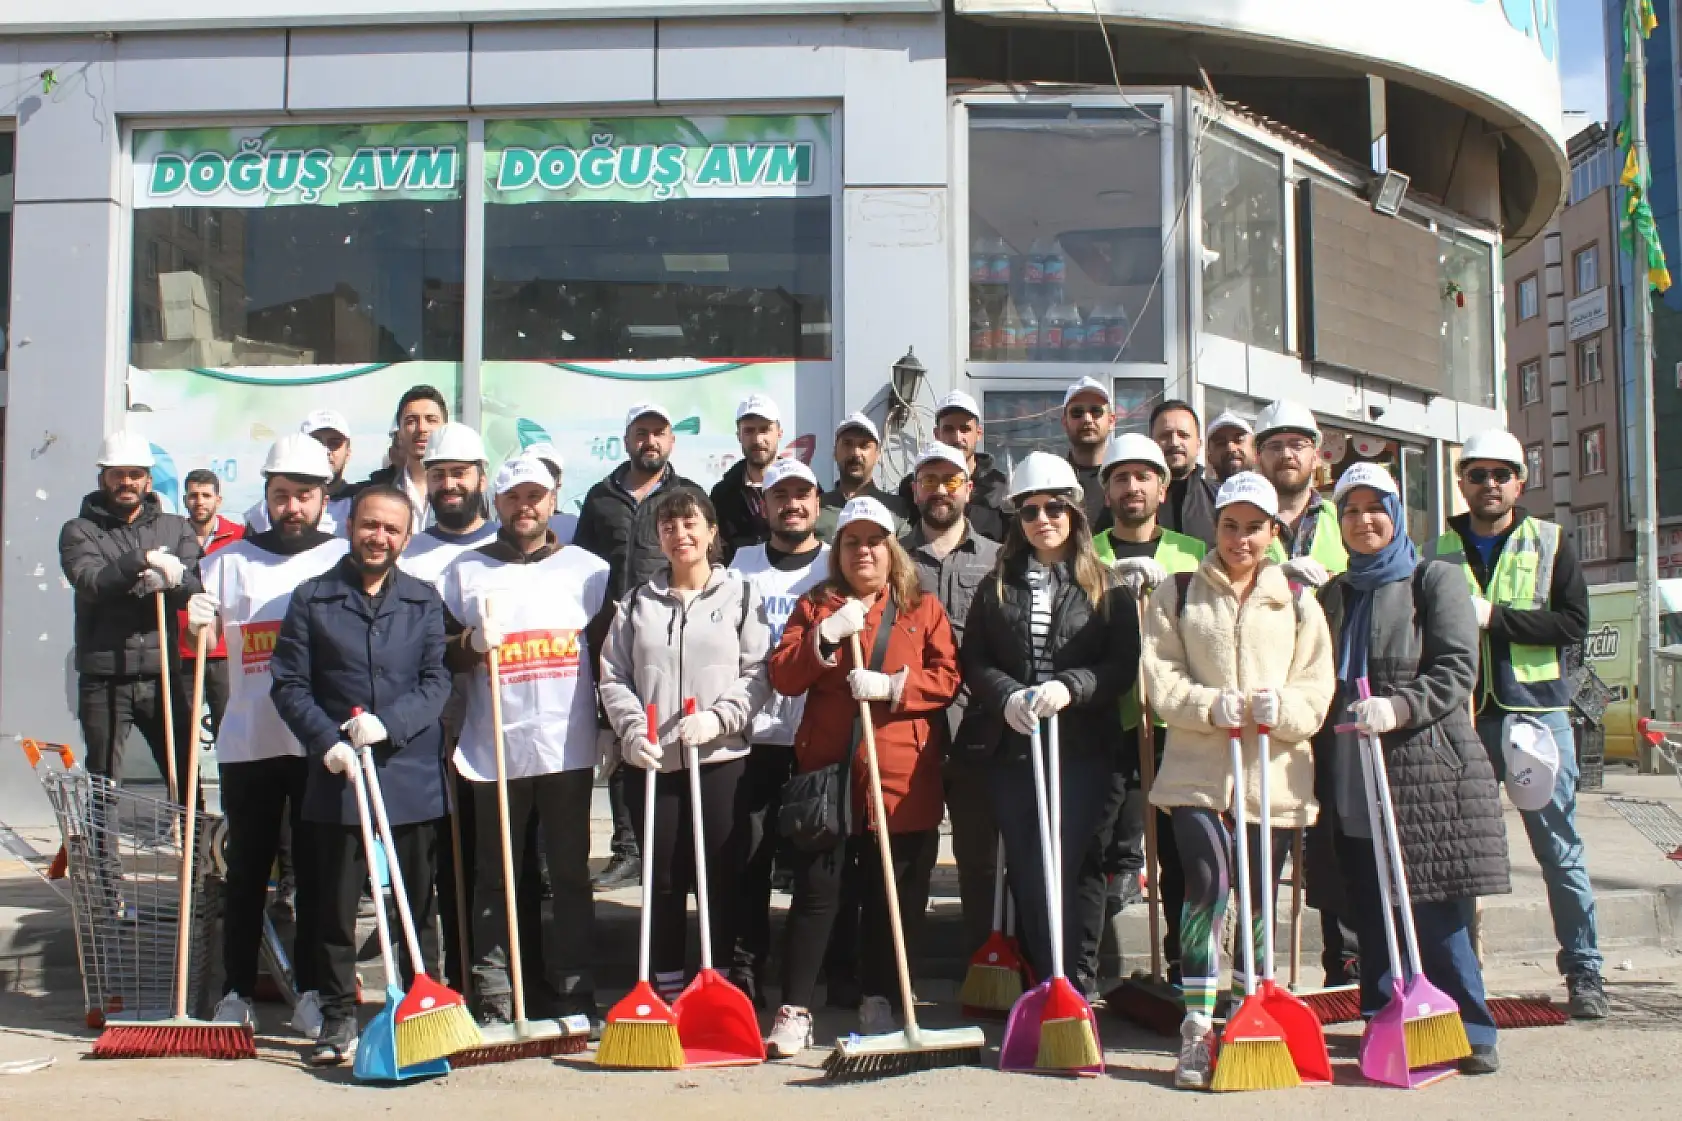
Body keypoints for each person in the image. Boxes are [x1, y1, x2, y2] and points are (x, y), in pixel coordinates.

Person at [1141, 470, 1336, 1090]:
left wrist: (1286, 709)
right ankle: (1198, 1025)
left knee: (1256, 895)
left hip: (1269, 775)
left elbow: (1316, 684)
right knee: (1206, 884)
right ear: (1215, 527)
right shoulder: (1178, 593)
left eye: (1254, 528)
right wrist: (1206, 705)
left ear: (1273, 532)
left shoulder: (1297, 600)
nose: (1240, 539)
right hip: (1197, 773)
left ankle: (1251, 1009)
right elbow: (1160, 675)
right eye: (1230, 526)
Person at [1315, 462, 1508, 1076]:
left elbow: (1456, 669)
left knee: (1435, 905)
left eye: (1375, 508)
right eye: (1350, 511)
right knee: (1369, 902)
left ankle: (1470, 1027)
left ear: (1397, 514)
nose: (1363, 521)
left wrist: (1399, 707)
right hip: (1351, 765)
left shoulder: (1435, 579)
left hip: (1424, 767)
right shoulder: (1335, 593)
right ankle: (1387, 1016)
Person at [765, 497, 960, 1057]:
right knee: (817, 894)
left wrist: (896, 686)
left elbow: (948, 676)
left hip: (900, 776)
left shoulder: (920, 607)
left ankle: (880, 998)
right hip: (828, 777)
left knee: (889, 894)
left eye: (875, 541)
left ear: (892, 549)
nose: (864, 552)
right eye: (852, 542)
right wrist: (824, 638)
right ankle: (795, 1009)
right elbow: (783, 675)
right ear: (838, 551)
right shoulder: (816, 605)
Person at [269, 484, 452, 1066]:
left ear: (406, 537)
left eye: (392, 529)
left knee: (415, 902)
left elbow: (437, 682)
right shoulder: (312, 599)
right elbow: (289, 684)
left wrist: (389, 724)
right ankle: (337, 1014)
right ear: (350, 526)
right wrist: (328, 743)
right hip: (339, 774)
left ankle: (422, 1007)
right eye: (370, 525)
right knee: (334, 903)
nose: (379, 537)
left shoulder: (423, 601)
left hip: (409, 774)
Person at [1427, 429, 1606, 1019]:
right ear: (1461, 482)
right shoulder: (1437, 550)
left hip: (1537, 715)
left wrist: (1495, 618)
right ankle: (1461, 980)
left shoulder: (1552, 542)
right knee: (1461, 855)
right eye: (1477, 474)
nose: (1490, 484)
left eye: (1501, 474)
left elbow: (1572, 624)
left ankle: (1584, 971)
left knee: (1559, 850)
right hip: (1464, 717)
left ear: (1519, 483)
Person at [184, 435, 350, 1041]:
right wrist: (196, 625)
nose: (292, 506)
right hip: (249, 740)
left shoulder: (341, 559)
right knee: (247, 870)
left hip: (317, 743)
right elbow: (201, 647)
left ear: (323, 496)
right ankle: (235, 990)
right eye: (281, 494)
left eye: (303, 494)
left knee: (315, 872)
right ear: (267, 495)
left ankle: (311, 990)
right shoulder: (227, 562)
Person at [957, 452, 1139, 1000]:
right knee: (1031, 867)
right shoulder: (996, 585)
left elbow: (1121, 664)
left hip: (1083, 747)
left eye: (1054, 508)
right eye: (1030, 510)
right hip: (1016, 746)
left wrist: (1072, 686)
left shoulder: (1107, 585)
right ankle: (1045, 983)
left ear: (1075, 513)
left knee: (1075, 863)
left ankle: (1075, 983)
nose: (1043, 519)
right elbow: (976, 659)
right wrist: (1006, 696)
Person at [442, 454, 614, 1027]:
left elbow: (608, 653)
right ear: (497, 502)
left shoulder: (588, 570)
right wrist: (469, 644)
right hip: (494, 745)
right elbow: (440, 650)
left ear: (553, 500)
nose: (525, 507)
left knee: (569, 874)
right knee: (496, 875)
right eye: (514, 497)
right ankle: (495, 991)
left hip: (567, 745)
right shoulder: (464, 570)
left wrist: (608, 725)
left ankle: (574, 990)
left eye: (535, 497)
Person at [599, 489, 771, 1002]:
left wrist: (719, 718)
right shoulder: (637, 602)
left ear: (712, 531)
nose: (680, 535)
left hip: (719, 759)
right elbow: (613, 675)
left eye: (690, 523)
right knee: (664, 880)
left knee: (720, 876)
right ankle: (668, 986)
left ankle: (718, 986)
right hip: (654, 763)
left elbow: (758, 673)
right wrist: (632, 731)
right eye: (669, 526)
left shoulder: (740, 596)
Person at [576, 403, 709, 891]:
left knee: (671, 731)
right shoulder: (600, 497)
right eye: (641, 433)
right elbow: (583, 565)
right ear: (627, 439)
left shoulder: (687, 495)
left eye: (658, 433)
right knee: (623, 733)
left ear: (671, 440)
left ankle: (679, 848)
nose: (649, 441)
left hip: (671, 630)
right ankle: (628, 849)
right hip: (613, 632)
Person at [1090, 433, 1206, 981]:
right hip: (1106, 723)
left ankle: (1184, 965)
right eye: (1121, 478)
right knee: (1097, 848)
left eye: (1143, 477)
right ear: (1106, 490)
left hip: (1176, 725)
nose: (1132, 487)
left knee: (1181, 854)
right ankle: (1087, 965)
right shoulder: (1087, 552)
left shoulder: (1193, 552)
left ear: (1162, 488)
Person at [396, 420, 500, 996]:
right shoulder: (409, 554)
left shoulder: (506, 546)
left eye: (459, 473)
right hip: (428, 731)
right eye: (438, 475)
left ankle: (484, 981)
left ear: (481, 476)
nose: (449, 484)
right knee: (432, 864)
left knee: (489, 865)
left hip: (499, 732)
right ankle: (432, 988)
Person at [726, 457, 831, 1005]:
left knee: (819, 863)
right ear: (762, 504)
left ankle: (818, 972)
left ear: (817, 503)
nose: (792, 505)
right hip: (755, 735)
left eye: (801, 495)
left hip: (817, 734)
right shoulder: (740, 565)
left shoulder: (836, 563)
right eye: (780, 496)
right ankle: (746, 969)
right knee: (749, 861)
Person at [901, 442, 1002, 961]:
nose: (940, 491)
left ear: (969, 488)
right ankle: (898, 974)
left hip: (978, 730)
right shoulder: (892, 557)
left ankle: (985, 968)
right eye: (930, 481)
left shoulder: (997, 558)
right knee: (910, 857)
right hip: (909, 729)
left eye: (951, 481)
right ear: (914, 489)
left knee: (979, 858)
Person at [59, 431, 201, 795]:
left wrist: (176, 580)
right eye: (117, 474)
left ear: (148, 481)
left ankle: (194, 834)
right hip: (104, 676)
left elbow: (195, 588)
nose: (127, 482)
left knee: (184, 773)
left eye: (135, 474)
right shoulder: (79, 531)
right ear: (102, 479)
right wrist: (143, 559)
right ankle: (102, 836)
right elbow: (92, 583)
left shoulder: (176, 527)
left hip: (162, 674)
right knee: (104, 779)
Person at [1253, 400, 1345, 587]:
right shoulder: (1241, 523)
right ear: (1258, 459)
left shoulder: (1342, 519)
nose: (1286, 454)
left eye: (1297, 445)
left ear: (1316, 457)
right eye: (1274, 446)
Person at [894, 392, 1009, 541]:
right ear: (936, 434)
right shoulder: (912, 487)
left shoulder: (1001, 486)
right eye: (949, 429)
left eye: (965, 429)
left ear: (979, 433)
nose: (957, 438)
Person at [179, 468, 242, 743]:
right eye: (193, 496)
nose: (199, 502)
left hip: (226, 651)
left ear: (218, 500)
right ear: (185, 500)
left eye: (206, 495)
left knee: (228, 730)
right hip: (183, 650)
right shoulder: (173, 536)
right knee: (183, 733)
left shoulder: (239, 536)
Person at [245, 410, 361, 535]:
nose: (325, 450)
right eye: (316, 442)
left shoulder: (360, 505)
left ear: (348, 453)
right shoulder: (262, 513)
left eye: (334, 443)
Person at [363, 385, 449, 533]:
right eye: (411, 421)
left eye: (431, 420)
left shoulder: (470, 492)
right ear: (400, 433)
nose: (421, 428)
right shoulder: (376, 492)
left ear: (445, 428)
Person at [815, 413, 910, 543]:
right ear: (835, 452)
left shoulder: (896, 508)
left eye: (864, 445)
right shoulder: (816, 508)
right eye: (847, 444)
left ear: (877, 454)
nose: (855, 453)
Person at [712, 394, 784, 562]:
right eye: (749, 431)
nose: (758, 440)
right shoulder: (722, 494)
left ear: (779, 433)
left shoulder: (802, 487)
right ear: (739, 436)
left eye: (765, 430)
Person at [1151, 400, 1218, 547]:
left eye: (1183, 435)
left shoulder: (1219, 499)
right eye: (1165, 435)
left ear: (1199, 445)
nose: (1174, 442)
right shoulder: (1132, 499)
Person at [1060, 377, 1115, 530]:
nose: (1087, 419)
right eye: (1077, 412)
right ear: (1065, 423)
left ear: (1111, 421)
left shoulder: (1126, 477)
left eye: (1096, 411)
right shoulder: (1054, 480)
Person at [524, 442, 578, 545]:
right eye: (533, 471)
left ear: (559, 482)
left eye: (549, 473)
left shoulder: (574, 525)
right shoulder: (505, 525)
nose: (543, 478)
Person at [1206, 411, 1256, 483]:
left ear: (1255, 450)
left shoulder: (1269, 488)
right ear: (1209, 457)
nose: (1230, 448)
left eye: (1238, 440)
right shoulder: (1198, 490)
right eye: (1221, 443)